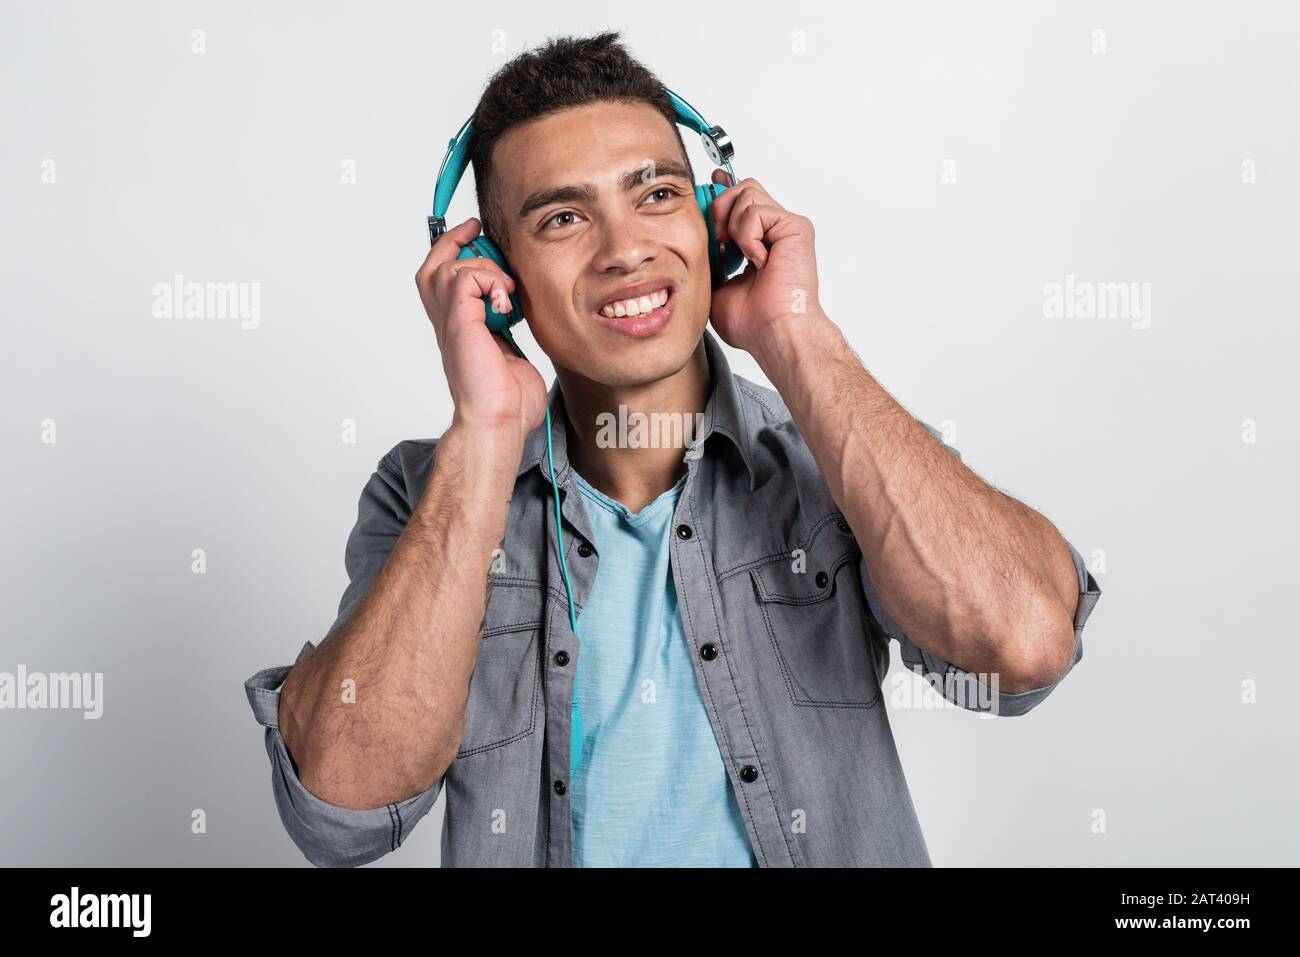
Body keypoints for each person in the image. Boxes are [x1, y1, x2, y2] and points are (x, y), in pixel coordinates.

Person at [243, 31, 1101, 868]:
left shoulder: (836, 455)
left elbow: (1022, 646)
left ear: (711, 224)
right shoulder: (426, 495)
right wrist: (483, 437)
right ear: (497, 280)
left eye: (655, 194)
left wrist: (797, 335)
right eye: (565, 216)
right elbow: (341, 814)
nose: (626, 250)